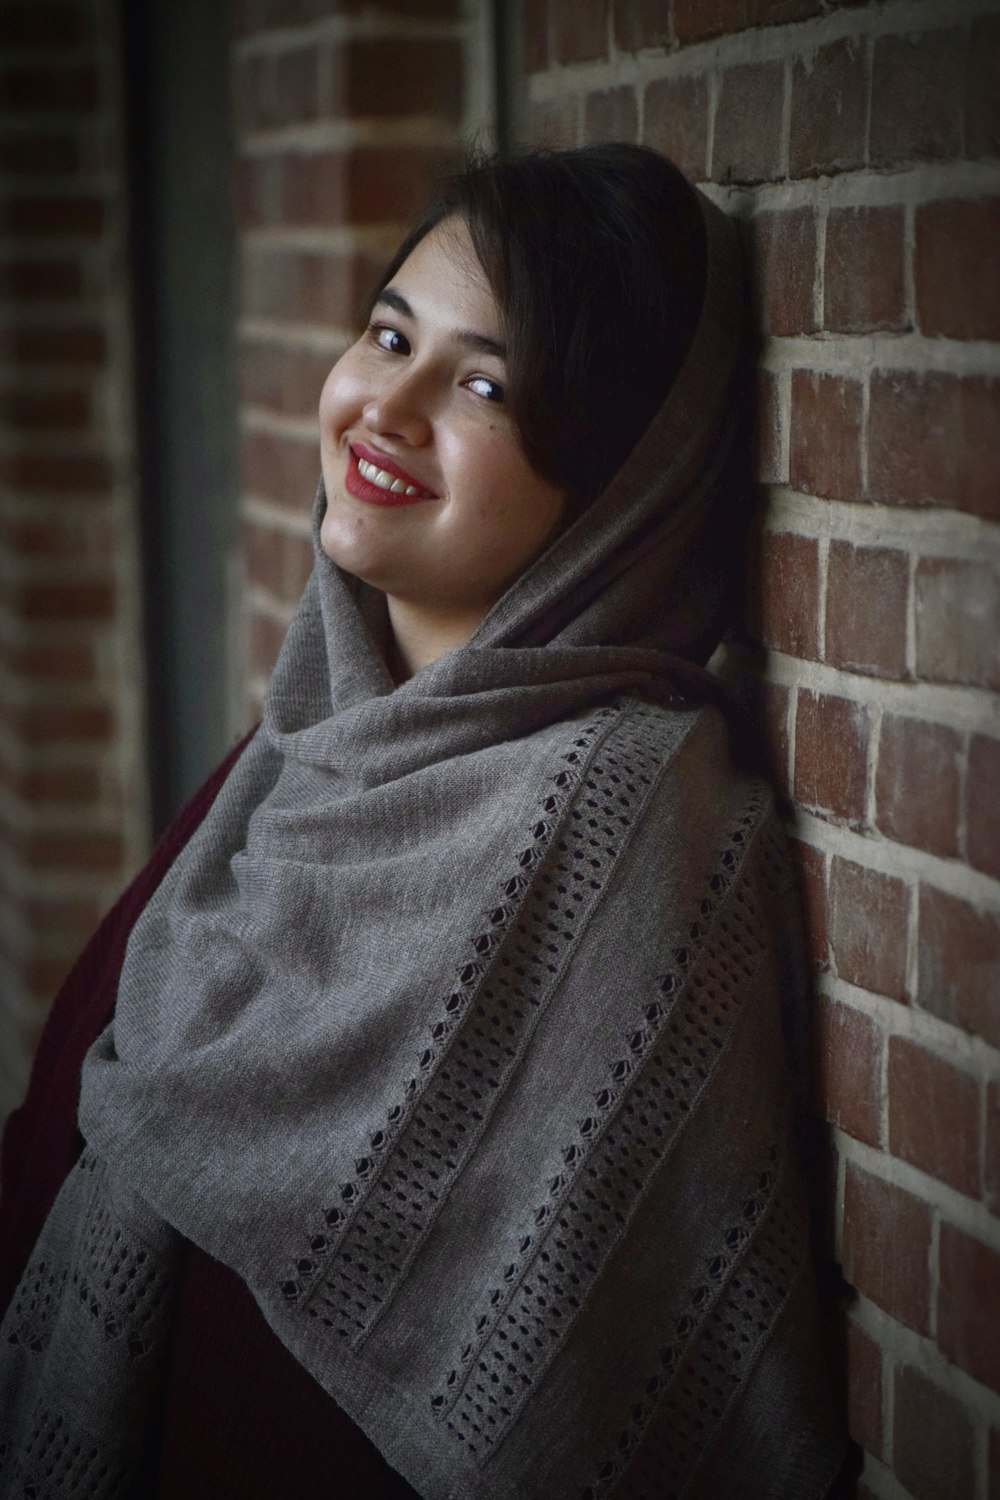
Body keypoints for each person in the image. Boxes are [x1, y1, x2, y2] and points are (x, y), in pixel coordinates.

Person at [0, 144, 846, 1498]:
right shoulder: (287, 761)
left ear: (617, 488)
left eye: (483, 382)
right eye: (389, 334)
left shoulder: (626, 816)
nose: (383, 406)